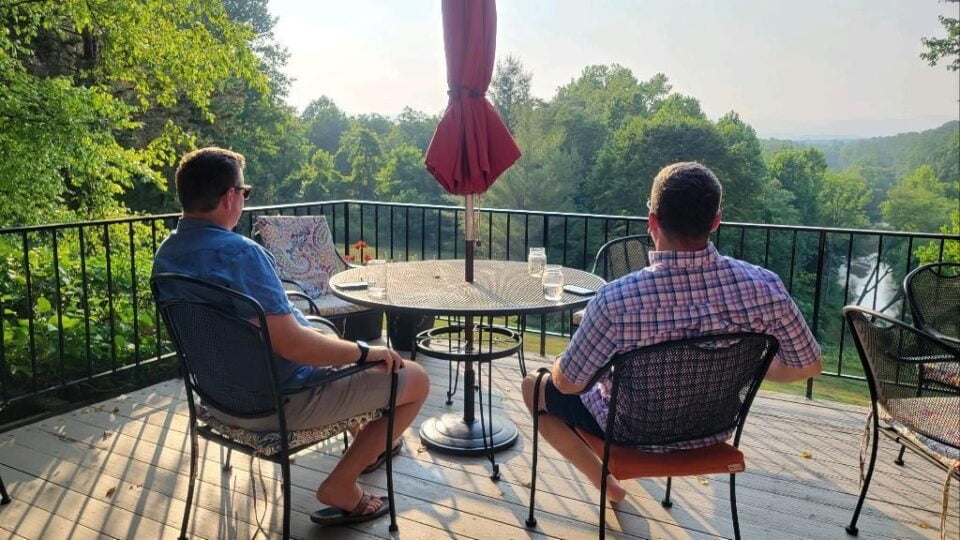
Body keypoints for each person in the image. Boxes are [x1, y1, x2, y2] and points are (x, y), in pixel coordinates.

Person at [153, 147, 430, 525]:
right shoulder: (241, 254)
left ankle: (369, 439)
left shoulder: (167, 254)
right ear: (230, 197)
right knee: (413, 378)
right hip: (277, 403)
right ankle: (342, 486)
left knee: (328, 339)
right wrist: (366, 352)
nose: (244, 199)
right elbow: (294, 345)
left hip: (218, 398)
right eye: (245, 192)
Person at [522, 162, 822, 503]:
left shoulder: (618, 300)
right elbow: (808, 366)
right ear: (716, 221)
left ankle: (606, 484)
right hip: (712, 430)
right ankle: (611, 486)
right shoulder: (765, 287)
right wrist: (748, 362)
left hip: (630, 433)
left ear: (652, 221)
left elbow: (568, 384)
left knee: (534, 386)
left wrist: (563, 361)